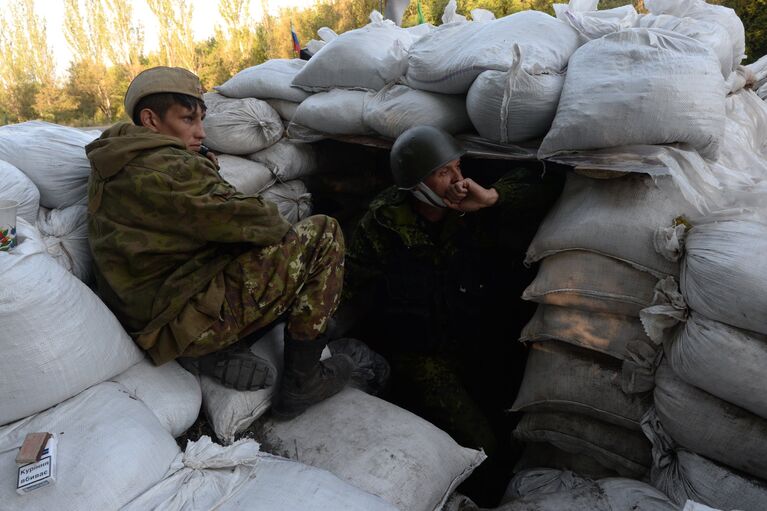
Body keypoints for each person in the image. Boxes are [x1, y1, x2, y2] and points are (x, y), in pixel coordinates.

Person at [85, 66, 352, 419]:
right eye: (187, 120)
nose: (200, 132)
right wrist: (206, 172)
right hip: (181, 321)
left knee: (254, 251)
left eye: (201, 119)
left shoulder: (119, 156)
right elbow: (261, 222)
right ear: (150, 120)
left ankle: (239, 342)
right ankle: (302, 382)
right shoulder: (169, 168)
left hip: (160, 308)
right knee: (322, 234)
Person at [339, 125, 563, 504]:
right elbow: (350, 283)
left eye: (458, 166)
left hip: (475, 338)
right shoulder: (384, 222)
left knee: (515, 422)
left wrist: (492, 198)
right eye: (444, 172)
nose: (457, 179)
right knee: (484, 447)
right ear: (416, 182)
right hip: (422, 357)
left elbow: (543, 182)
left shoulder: (468, 204)